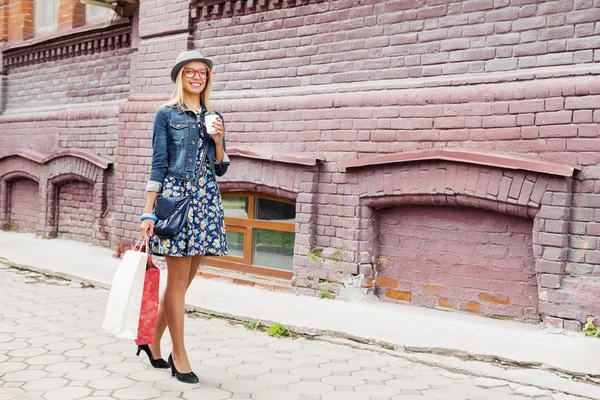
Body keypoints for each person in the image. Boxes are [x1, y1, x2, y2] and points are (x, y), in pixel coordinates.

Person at [138, 50, 229, 383]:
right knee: (175, 284)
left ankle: (148, 339)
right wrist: (149, 210)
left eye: (202, 72)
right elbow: (159, 164)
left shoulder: (214, 115)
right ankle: (180, 355)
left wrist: (218, 139)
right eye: (190, 71)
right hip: (177, 202)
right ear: (180, 76)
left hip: (206, 202)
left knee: (183, 285)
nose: (197, 76)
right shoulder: (166, 114)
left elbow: (220, 167)